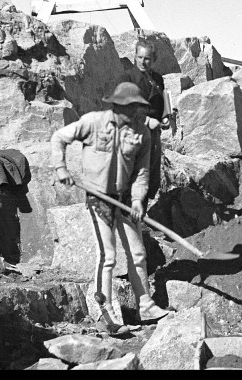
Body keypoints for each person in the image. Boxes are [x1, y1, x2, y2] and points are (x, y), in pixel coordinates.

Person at [51, 81, 170, 330]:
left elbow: (142, 172)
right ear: (117, 105)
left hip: (126, 200)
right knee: (107, 256)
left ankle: (146, 306)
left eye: (137, 107)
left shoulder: (141, 133)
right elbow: (59, 138)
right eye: (129, 107)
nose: (134, 112)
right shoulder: (93, 122)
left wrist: (138, 200)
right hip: (99, 198)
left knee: (137, 254)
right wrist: (60, 168)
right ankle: (106, 315)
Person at [118, 39, 172, 201]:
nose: (143, 62)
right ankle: (128, 218)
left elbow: (162, 102)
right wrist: (147, 121)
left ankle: (141, 217)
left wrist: (166, 116)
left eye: (147, 58)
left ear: (153, 60)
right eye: (139, 57)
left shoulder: (157, 79)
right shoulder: (127, 78)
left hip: (153, 136)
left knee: (150, 177)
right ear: (134, 57)